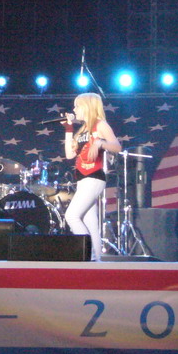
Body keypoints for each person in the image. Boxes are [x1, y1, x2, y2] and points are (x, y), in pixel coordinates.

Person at [63, 92, 121, 261]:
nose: (74, 109)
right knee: (90, 222)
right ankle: (97, 260)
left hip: (94, 176)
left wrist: (101, 142)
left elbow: (117, 146)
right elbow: (69, 155)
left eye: (77, 106)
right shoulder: (82, 130)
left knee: (71, 216)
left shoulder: (100, 125)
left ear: (87, 107)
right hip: (82, 178)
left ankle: (87, 254)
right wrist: (68, 128)